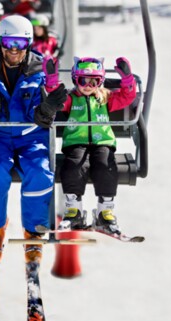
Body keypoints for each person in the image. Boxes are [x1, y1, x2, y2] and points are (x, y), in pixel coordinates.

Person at [0, 15, 67, 265]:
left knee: (40, 173)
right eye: (9, 42)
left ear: (28, 43)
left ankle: (33, 230)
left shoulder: (39, 69)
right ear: (1, 42)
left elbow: (44, 103)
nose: (13, 49)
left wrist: (45, 112)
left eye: (19, 43)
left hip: (31, 137)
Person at [58, 56, 137, 235]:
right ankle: (74, 210)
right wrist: (52, 81)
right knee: (73, 166)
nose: (87, 85)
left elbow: (127, 96)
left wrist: (127, 79)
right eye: (82, 80)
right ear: (74, 80)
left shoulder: (105, 98)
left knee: (106, 166)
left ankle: (105, 212)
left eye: (94, 81)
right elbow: (55, 100)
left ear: (100, 82)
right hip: (76, 142)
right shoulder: (71, 98)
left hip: (103, 142)